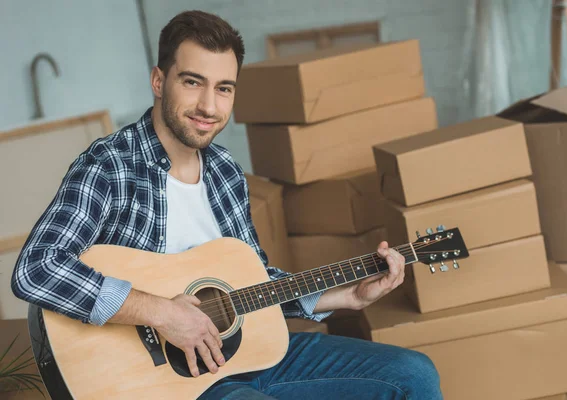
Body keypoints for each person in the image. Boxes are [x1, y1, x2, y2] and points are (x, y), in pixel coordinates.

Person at [11, 10, 442, 400]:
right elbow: (37, 268)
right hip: (165, 384)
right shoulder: (110, 166)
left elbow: (252, 283)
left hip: (248, 355)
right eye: (192, 82)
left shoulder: (225, 171)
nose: (208, 106)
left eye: (224, 88)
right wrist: (162, 313)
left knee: (413, 373)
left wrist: (347, 294)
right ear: (159, 81)